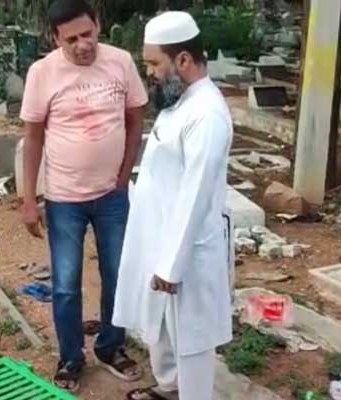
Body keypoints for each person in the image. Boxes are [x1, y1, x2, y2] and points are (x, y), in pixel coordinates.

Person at [19, 0, 148, 393]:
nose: (82, 45)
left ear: (98, 25)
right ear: (56, 38)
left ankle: (110, 347)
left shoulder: (120, 62)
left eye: (87, 34)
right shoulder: (42, 73)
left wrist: (124, 177)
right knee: (64, 284)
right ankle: (71, 358)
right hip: (63, 200)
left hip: (112, 197)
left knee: (117, 275)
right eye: (71, 38)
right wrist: (28, 198)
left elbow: (135, 119)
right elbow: (33, 137)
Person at [112, 11, 234, 400]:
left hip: (188, 253)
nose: (148, 72)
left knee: (192, 339)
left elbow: (196, 194)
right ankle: (169, 389)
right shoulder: (179, 105)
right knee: (163, 328)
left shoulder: (207, 115)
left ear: (183, 60)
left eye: (153, 63)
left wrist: (172, 263)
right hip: (162, 241)